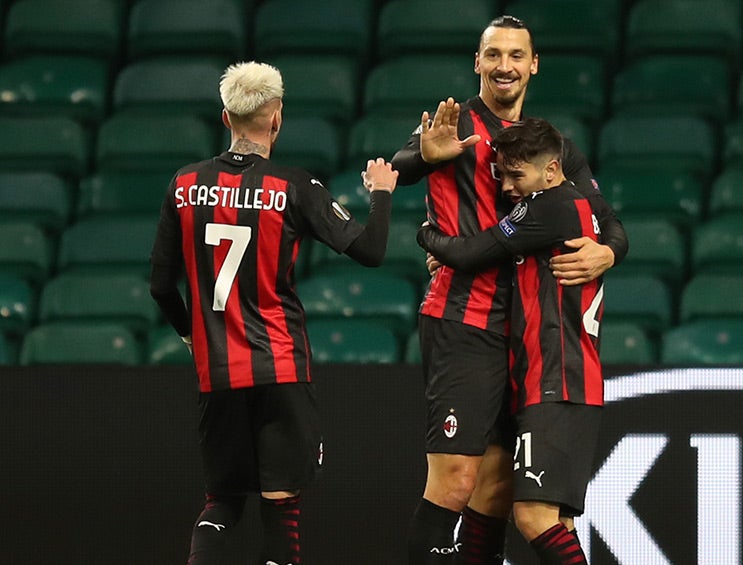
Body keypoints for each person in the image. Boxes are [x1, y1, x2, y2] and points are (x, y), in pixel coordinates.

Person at [391, 15, 627, 565]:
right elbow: (396, 169)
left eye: (515, 55)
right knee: (455, 482)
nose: (504, 66)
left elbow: (608, 218)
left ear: (533, 64)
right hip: (463, 318)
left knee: (495, 490)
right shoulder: (454, 124)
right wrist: (426, 156)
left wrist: (608, 252)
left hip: (524, 336)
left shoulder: (550, 146)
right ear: (478, 63)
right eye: (493, 54)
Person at [149, 61, 398, 565]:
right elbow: (370, 251)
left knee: (221, 504)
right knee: (281, 509)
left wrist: (191, 335)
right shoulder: (293, 186)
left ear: (226, 117)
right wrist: (382, 196)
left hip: (217, 375)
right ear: (277, 118)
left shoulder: (184, 183)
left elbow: (160, 286)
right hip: (281, 370)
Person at [416, 117, 605, 564]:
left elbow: (469, 253)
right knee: (553, 521)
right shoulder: (568, 208)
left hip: (559, 377)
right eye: (500, 175)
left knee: (534, 517)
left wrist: (427, 234)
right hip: (561, 380)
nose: (506, 188)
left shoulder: (550, 206)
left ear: (553, 171)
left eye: (516, 175)